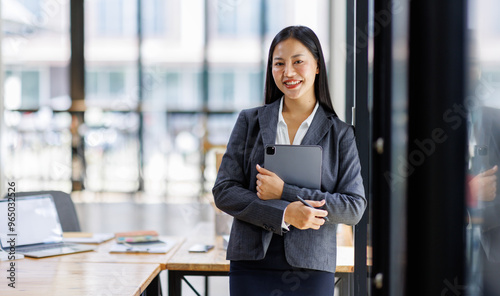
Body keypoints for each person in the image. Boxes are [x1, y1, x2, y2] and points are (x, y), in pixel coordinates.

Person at [212, 25, 366, 296]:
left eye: (298, 62)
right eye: (279, 63)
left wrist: (285, 192)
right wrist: (283, 213)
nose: (288, 73)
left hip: (312, 265)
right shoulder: (250, 122)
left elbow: (353, 208)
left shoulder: (340, 134)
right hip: (251, 262)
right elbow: (224, 192)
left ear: (317, 65)